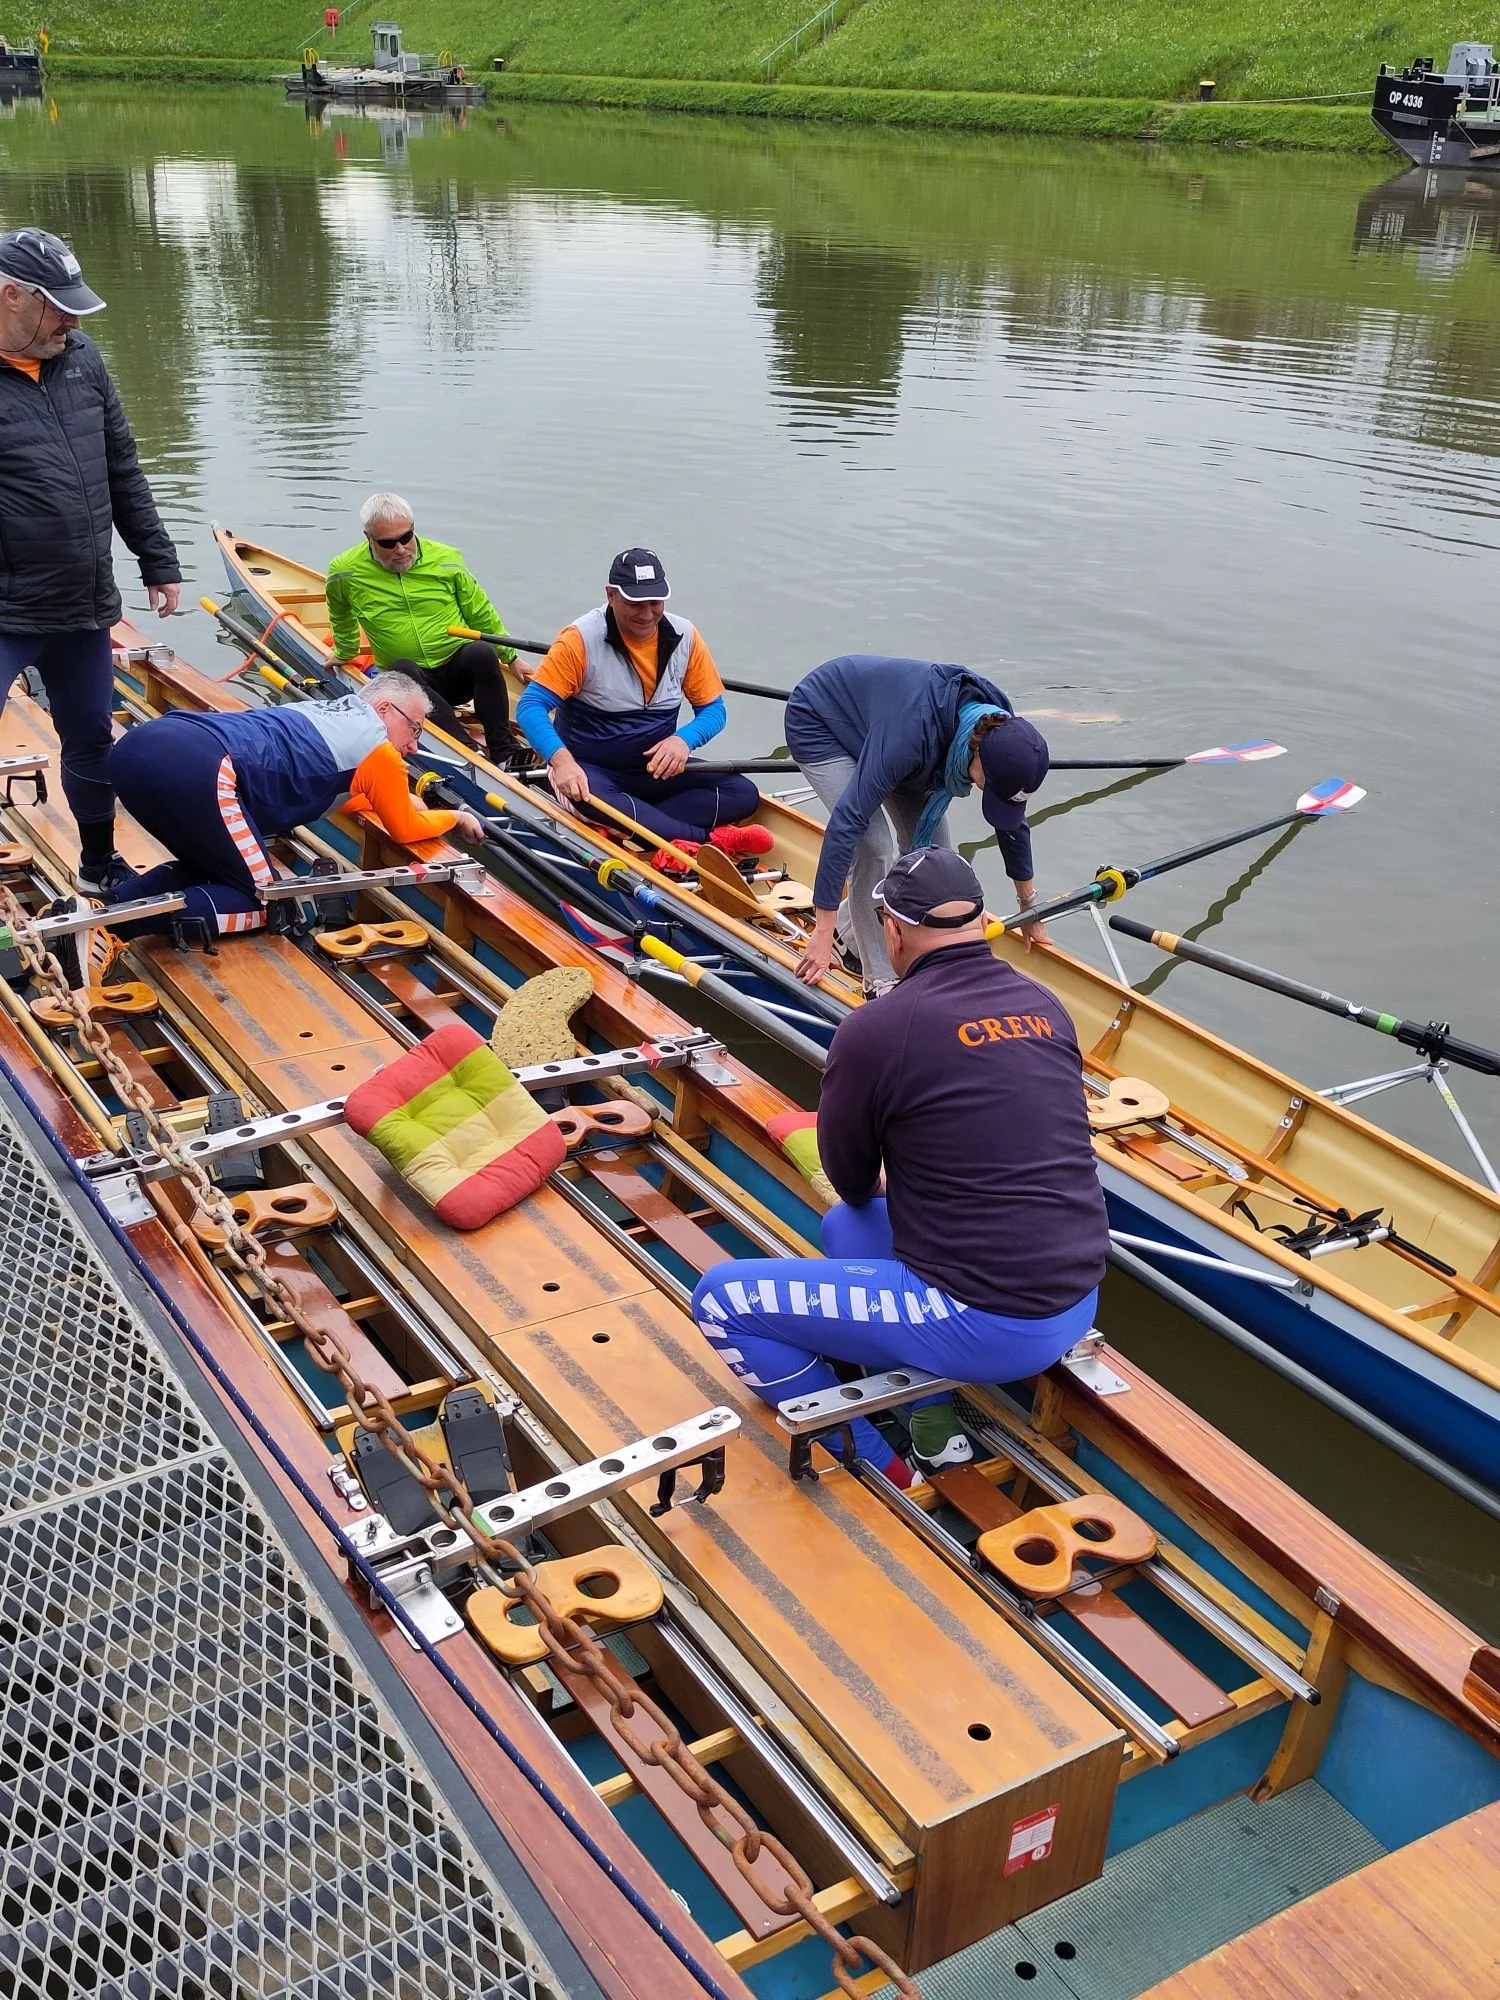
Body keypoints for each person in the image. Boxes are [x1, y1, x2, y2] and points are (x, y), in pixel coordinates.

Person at [690, 848, 1108, 1481]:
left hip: (987, 1323)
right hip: (1077, 1301)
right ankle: (934, 1431)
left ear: (892, 929)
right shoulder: (1043, 1005)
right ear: (981, 920)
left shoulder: (877, 1028)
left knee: (722, 1301)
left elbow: (851, 1178)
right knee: (848, 1228)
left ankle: (885, 1470)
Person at [0, 227, 181, 898]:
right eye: (58, 308)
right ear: (12, 295)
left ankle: (100, 864)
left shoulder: (82, 360)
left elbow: (121, 464)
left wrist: (156, 557)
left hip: (82, 601)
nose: (72, 322)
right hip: (6, 610)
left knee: (90, 738)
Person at [104, 673, 485, 939]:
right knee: (264, 901)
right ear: (384, 709)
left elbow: (337, 791)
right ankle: (113, 928)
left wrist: (397, 799)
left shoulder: (323, 711)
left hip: (140, 748)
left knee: (213, 868)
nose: (414, 745)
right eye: (415, 728)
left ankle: (103, 906)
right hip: (202, 770)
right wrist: (455, 816)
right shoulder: (379, 750)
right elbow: (405, 829)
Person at [785, 654, 1050, 993]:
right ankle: (880, 981)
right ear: (977, 754)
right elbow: (846, 824)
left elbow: (1013, 826)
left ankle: (848, 935)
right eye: (992, 788)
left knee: (936, 857)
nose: (990, 795)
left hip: (898, 735)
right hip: (821, 719)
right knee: (873, 845)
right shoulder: (909, 737)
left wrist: (1029, 909)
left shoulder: (1006, 732)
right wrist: (820, 932)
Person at [515, 546, 770, 860]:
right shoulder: (578, 640)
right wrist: (562, 762)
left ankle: (634, 828)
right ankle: (709, 842)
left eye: (655, 602)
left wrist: (683, 740)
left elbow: (714, 710)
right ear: (610, 595)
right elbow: (531, 707)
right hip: (591, 771)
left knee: (743, 793)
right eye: (635, 603)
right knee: (589, 797)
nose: (647, 614)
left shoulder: (686, 636)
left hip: (654, 771)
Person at [326, 493, 518, 763]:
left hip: (456, 675)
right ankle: (468, 752)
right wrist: (345, 652)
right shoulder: (344, 571)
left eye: (406, 537)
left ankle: (504, 750)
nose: (401, 549)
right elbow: (340, 614)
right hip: (408, 685)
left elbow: (480, 612)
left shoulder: (446, 558)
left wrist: (511, 657)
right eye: (388, 543)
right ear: (369, 538)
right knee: (402, 667)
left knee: (482, 652)